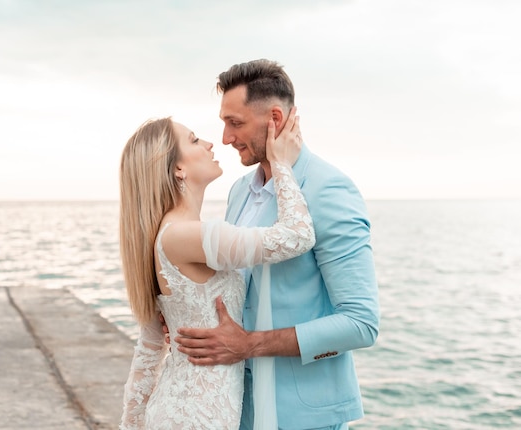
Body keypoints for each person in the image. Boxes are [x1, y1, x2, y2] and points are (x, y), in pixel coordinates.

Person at [174, 59, 380, 430]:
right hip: (235, 403)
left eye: (234, 123)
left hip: (302, 415)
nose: (225, 138)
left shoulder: (329, 190)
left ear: (275, 119)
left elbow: (360, 323)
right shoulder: (240, 191)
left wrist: (249, 344)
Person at [118, 107, 315, 429]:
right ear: (178, 168)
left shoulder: (168, 234)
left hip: (182, 411)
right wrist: (281, 163)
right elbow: (297, 237)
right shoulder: (187, 235)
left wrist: (132, 422)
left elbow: (149, 348)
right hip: (197, 417)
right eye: (194, 140)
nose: (210, 143)